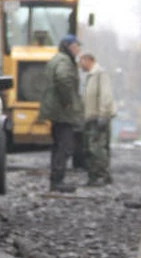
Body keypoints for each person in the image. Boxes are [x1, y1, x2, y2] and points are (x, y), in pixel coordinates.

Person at [39, 33, 84, 192]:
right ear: (69, 47)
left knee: (58, 145)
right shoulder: (64, 61)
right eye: (76, 46)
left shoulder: (56, 59)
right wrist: (67, 101)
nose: (78, 50)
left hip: (55, 110)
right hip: (62, 111)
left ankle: (55, 179)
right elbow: (63, 79)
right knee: (65, 146)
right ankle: (58, 180)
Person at [79, 51, 116, 186]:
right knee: (90, 148)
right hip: (91, 118)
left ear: (88, 60)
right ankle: (93, 176)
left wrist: (103, 114)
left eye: (81, 61)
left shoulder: (100, 74)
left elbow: (106, 95)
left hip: (98, 117)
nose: (80, 65)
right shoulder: (90, 76)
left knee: (97, 148)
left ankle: (102, 175)